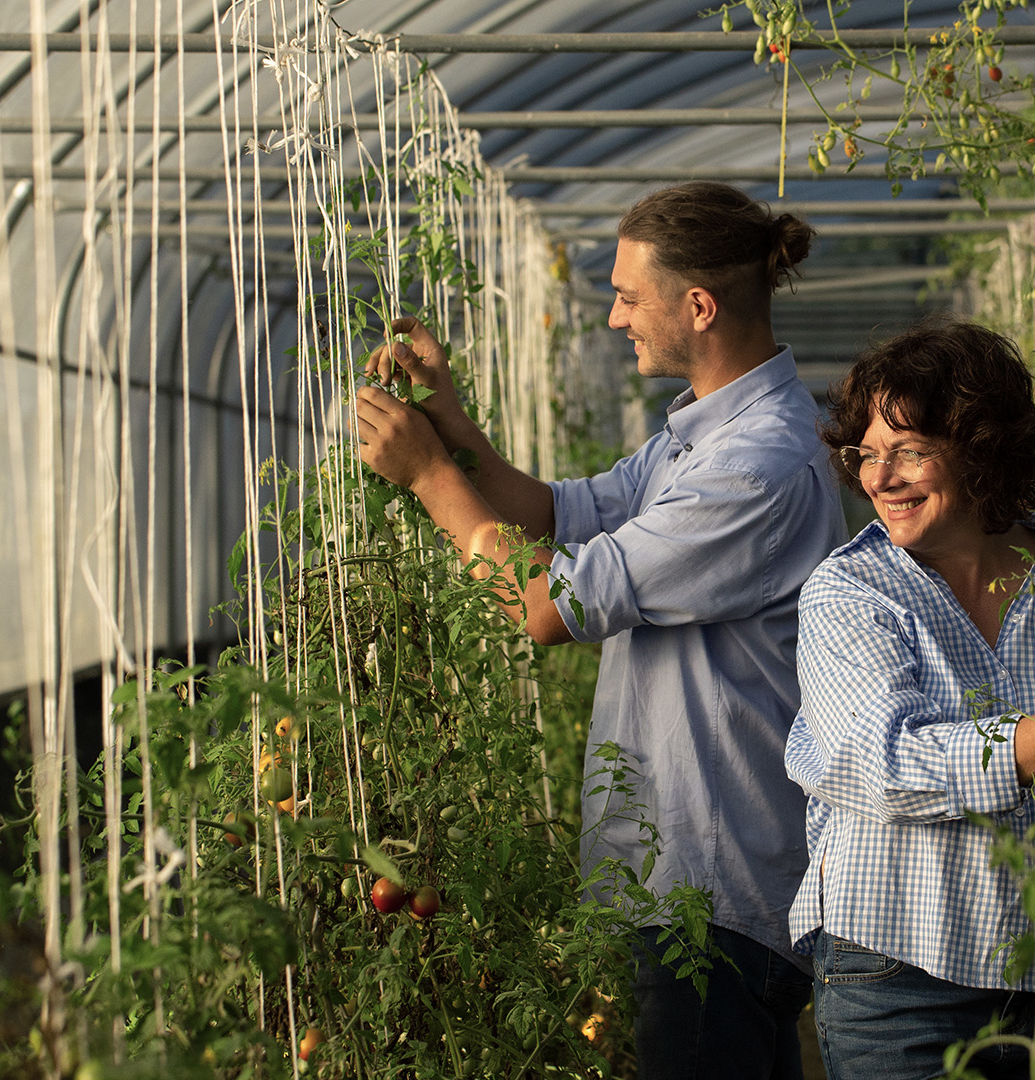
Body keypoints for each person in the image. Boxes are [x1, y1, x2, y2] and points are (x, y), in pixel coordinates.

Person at [353, 181, 846, 1079]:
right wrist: (450, 422)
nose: (615, 317)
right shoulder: (702, 435)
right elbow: (562, 515)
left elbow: (549, 605)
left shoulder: (756, 463)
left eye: (627, 295)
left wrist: (430, 476)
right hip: (699, 881)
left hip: (711, 888)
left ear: (698, 305)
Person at [786, 317, 1035, 1080]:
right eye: (867, 454)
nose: (881, 478)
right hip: (904, 979)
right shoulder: (850, 593)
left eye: (910, 451)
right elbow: (882, 762)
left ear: (983, 448)